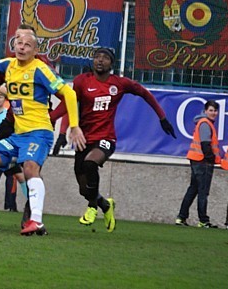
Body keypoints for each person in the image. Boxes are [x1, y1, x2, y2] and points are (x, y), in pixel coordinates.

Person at [0, 25, 85, 234]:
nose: (22, 47)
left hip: (39, 132)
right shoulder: (8, 65)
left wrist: (74, 126)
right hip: (17, 135)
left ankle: (36, 221)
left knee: (30, 168)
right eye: (19, 43)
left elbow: (69, 93)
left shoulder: (40, 69)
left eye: (27, 45)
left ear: (35, 50)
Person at [52, 47, 177, 232]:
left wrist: (162, 117)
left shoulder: (119, 83)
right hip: (83, 139)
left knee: (90, 164)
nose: (100, 60)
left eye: (105, 58)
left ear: (112, 63)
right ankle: (105, 205)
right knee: (84, 190)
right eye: (97, 57)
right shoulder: (82, 81)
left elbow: (144, 93)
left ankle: (92, 207)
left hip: (106, 138)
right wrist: (61, 131)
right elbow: (68, 104)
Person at [176, 100, 221, 228]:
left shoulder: (202, 122)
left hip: (196, 159)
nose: (213, 113)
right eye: (211, 110)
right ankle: (203, 220)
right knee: (203, 191)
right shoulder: (206, 124)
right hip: (203, 161)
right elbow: (205, 144)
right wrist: (211, 158)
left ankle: (181, 217)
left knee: (193, 189)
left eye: (215, 110)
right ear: (205, 111)